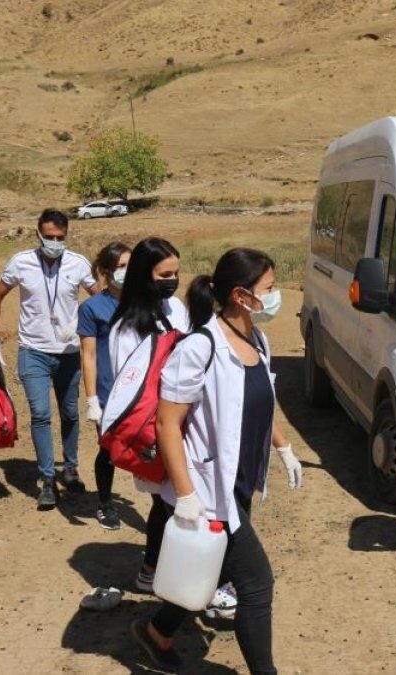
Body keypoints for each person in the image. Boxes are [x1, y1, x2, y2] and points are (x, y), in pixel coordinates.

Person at [130, 248, 303, 674]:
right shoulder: (199, 347)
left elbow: (258, 403)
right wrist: (186, 495)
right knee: (256, 586)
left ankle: (156, 633)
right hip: (206, 491)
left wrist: (283, 447)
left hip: (237, 483)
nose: (276, 295)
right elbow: (167, 423)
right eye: (269, 288)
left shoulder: (257, 341)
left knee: (205, 569)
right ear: (241, 296)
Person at [0, 209, 97, 510]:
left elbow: (98, 297)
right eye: (49, 237)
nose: (55, 243)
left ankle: (70, 468)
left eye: (61, 237)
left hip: (69, 353)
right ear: (38, 234)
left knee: (70, 413)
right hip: (33, 350)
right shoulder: (21, 262)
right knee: (40, 414)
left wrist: (84, 323)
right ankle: (47, 480)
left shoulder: (78, 263)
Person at [107, 238, 191, 592]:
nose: (172, 281)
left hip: (186, 422)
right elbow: (133, 392)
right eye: (164, 275)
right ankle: (157, 571)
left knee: (170, 501)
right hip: (158, 429)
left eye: (176, 273)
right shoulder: (126, 329)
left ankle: (156, 569)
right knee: (167, 502)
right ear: (144, 276)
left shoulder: (176, 309)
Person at [77, 241, 131, 530]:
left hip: (142, 391)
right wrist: (92, 400)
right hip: (110, 392)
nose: (128, 271)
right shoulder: (92, 308)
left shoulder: (144, 303)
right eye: (122, 266)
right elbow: (88, 355)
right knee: (110, 450)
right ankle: (105, 502)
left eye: (131, 266)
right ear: (107, 271)